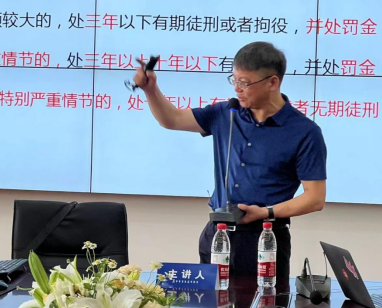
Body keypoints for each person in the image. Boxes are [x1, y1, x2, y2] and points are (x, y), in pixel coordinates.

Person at [133, 42, 327, 280]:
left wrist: (265, 212)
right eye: (234, 80)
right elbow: (171, 119)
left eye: (244, 82)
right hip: (218, 233)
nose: (237, 88)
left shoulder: (304, 131)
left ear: (273, 82)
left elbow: (315, 198)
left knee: (265, 302)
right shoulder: (226, 113)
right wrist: (151, 90)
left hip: (265, 238)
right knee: (211, 301)